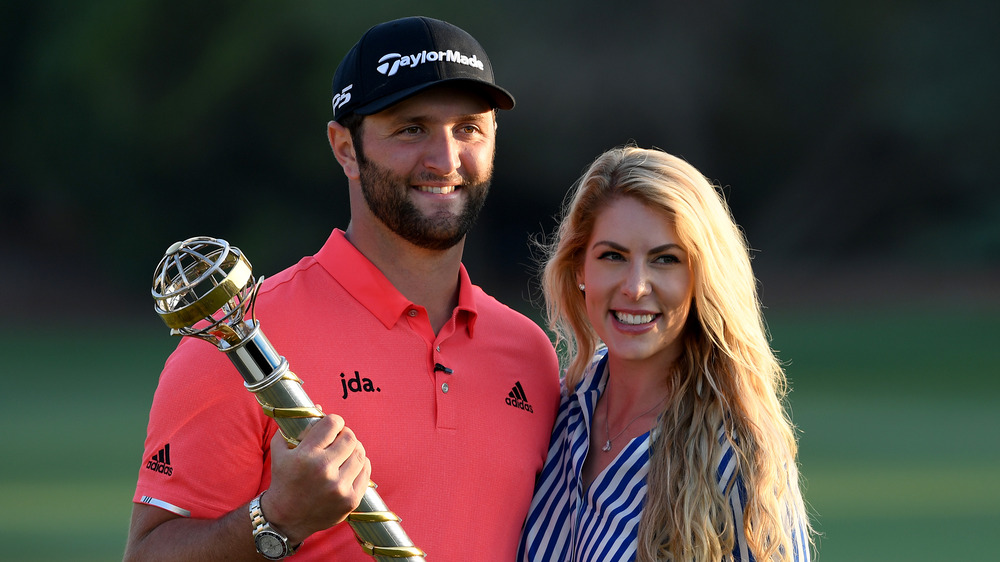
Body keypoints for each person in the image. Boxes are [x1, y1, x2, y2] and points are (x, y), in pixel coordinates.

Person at [124, 16, 560, 561]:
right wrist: (277, 518)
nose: (445, 159)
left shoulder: (530, 355)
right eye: (411, 128)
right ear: (345, 148)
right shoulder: (237, 341)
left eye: (468, 128)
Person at [518, 145, 813, 561]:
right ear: (580, 268)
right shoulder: (554, 415)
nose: (636, 286)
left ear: (702, 279)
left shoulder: (737, 454)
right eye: (613, 256)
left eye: (666, 260)